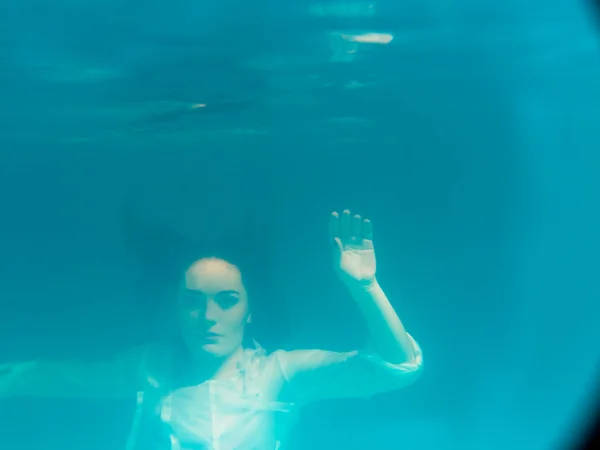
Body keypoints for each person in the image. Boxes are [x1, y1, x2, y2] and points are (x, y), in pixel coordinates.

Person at [0, 209, 423, 450]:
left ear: (250, 310)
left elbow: (397, 367)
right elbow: (50, 375)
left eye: (227, 300)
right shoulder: (151, 368)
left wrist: (365, 286)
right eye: (193, 301)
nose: (208, 316)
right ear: (175, 310)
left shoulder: (280, 374)